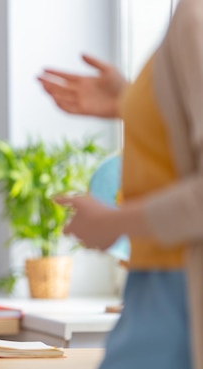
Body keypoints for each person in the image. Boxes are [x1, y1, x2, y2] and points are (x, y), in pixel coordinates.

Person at [37, 1, 203, 368]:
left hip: (179, 285)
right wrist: (131, 101)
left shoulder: (196, 17)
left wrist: (113, 222)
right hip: (159, 280)